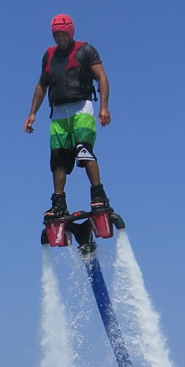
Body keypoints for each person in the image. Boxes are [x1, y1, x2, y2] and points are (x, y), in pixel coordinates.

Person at [23, 13, 112, 223]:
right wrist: (32, 113)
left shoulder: (85, 50)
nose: (59, 38)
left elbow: (102, 77)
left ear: (70, 32)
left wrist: (104, 107)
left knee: (83, 150)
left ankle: (98, 195)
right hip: (59, 113)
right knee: (58, 160)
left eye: (63, 34)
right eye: (56, 34)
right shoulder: (49, 55)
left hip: (82, 107)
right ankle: (59, 204)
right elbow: (41, 86)